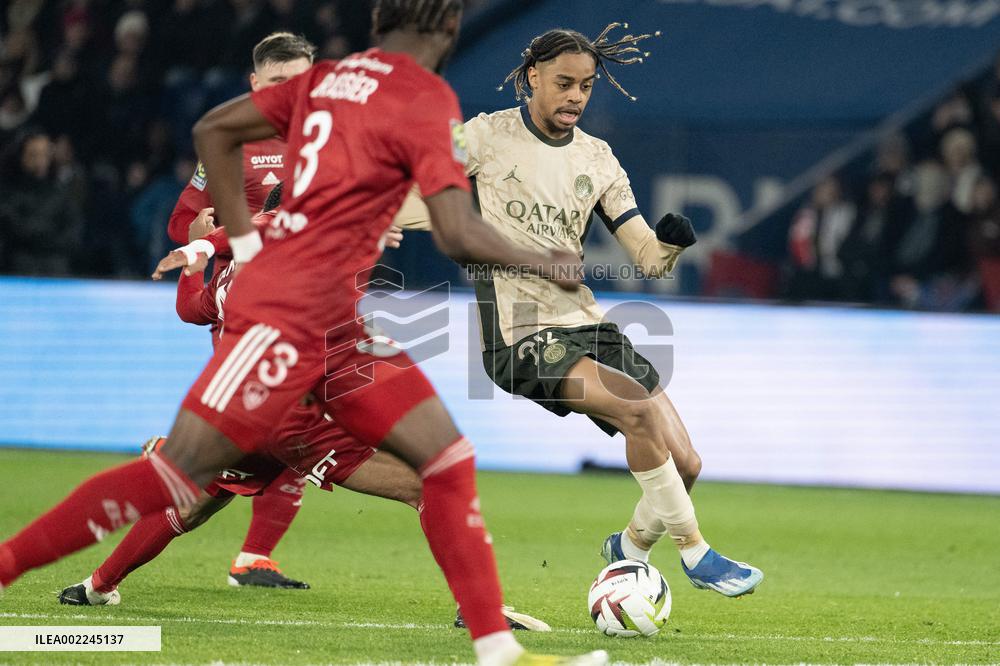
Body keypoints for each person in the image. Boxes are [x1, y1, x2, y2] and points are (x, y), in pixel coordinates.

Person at [0, 2, 600, 664]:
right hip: (283, 317)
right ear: (450, 30)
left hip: (337, 327)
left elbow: (212, 128)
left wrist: (248, 238)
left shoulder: (327, 82)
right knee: (179, 477)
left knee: (446, 461)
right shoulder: (424, 96)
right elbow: (457, 232)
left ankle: (497, 649)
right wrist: (545, 261)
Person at [394, 23, 763, 597]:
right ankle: (697, 553)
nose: (575, 97)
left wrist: (669, 244)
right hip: (520, 333)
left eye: (586, 87)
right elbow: (423, 188)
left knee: (685, 464)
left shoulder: (599, 158)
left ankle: (628, 552)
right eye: (564, 83)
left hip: (586, 324)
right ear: (532, 78)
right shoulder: (484, 135)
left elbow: (647, 255)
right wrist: (378, 217)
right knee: (637, 412)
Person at [163, 30, 316, 590]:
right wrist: (203, 234)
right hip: (251, 308)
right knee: (293, 427)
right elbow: (183, 221)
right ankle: (183, 464)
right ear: (256, 85)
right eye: (279, 83)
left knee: (283, 440)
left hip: (313, 302)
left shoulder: (333, 142)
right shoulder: (230, 146)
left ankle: (250, 551)